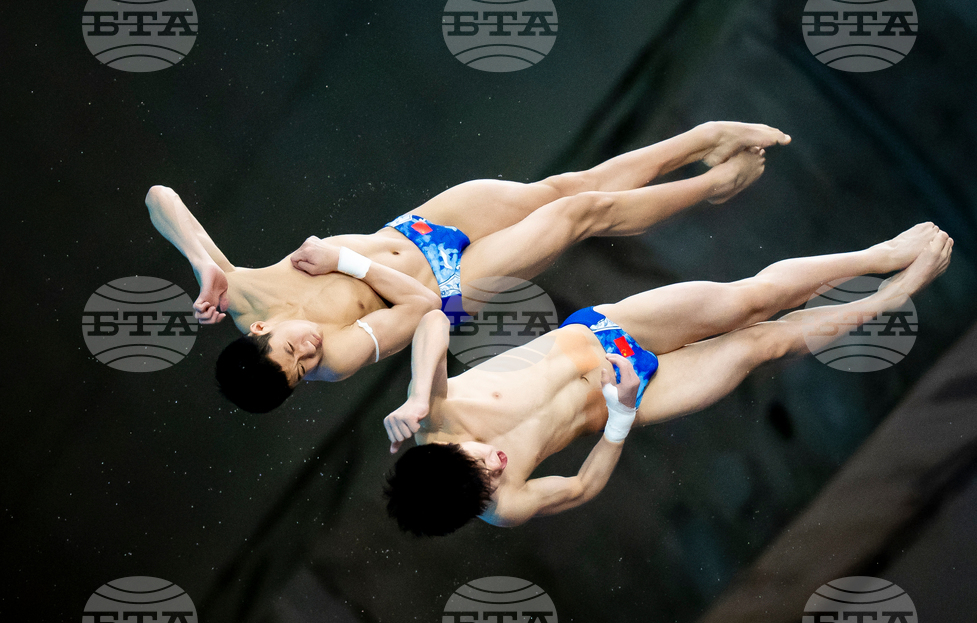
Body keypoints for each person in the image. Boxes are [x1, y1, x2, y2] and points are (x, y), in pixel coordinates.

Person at [145, 122, 791, 412]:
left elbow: (159, 199)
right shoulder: (337, 361)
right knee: (582, 214)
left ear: (259, 333)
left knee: (568, 186)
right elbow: (421, 311)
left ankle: (702, 139)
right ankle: (713, 183)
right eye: (302, 367)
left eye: (293, 350)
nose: (310, 351)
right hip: (451, 285)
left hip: (418, 226)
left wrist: (203, 260)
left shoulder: (236, 295)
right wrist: (342, 259)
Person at [382, 224, 952, 536]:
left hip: (609, 332)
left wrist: (414, 390)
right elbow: (581, 488)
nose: (497, 466)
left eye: (479, 462)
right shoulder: (501, 506)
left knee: (751, 300)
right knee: (762, 344)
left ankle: (876, 254)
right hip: (629, 398)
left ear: (447, 448)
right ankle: (895, 295)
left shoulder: (434, 412)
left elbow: (433, 317)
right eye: (489, 481)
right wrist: (623, 410)